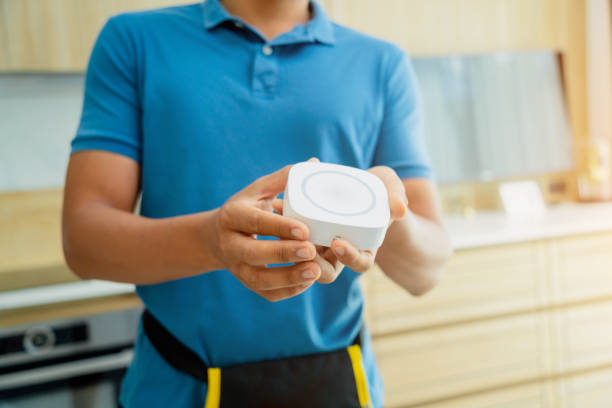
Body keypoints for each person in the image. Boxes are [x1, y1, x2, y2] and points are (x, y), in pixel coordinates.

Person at [62, 0, 453, 406]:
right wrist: (213, 241)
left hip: (338, 385)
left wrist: (382, 210)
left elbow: (426, 270)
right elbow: (83, 243)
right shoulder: (134, 41)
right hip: (175, 388)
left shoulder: (382, 64)